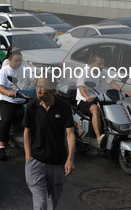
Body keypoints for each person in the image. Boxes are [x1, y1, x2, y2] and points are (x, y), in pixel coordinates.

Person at [23, 75, 75, 210]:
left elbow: (70, 134)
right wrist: (28, 157)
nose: (39, 90)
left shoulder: (64, 107)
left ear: (53, 90)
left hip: (58, 163)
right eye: (37, 87)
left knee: (52, 204)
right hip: (36, 162)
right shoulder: (32, 106)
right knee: (40, 204)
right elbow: (26, 131)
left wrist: (70, 159)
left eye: (43, 88)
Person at [76, 54, 131, 147]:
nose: (101, 66)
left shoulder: (104, 72)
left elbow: (111, 82)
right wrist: (87, 96)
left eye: (103, 64)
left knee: (115, 107)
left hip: (100, 99)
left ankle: (116, 132)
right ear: (92, 63)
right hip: (85, 101)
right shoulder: (84, 72)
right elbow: (81, 87)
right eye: (99, 64)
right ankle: (99, 138)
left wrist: (123, 92)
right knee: (95, 109)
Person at [0, 48, 33, 161]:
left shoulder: (25, 70)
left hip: (24, 99)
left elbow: (35, 80)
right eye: (16, 60)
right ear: (10, 60)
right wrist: (8, 93)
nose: (18, 63)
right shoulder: (3, 71)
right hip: (8, 100)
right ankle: (2, 146)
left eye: (20, 60)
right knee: (6, 120)